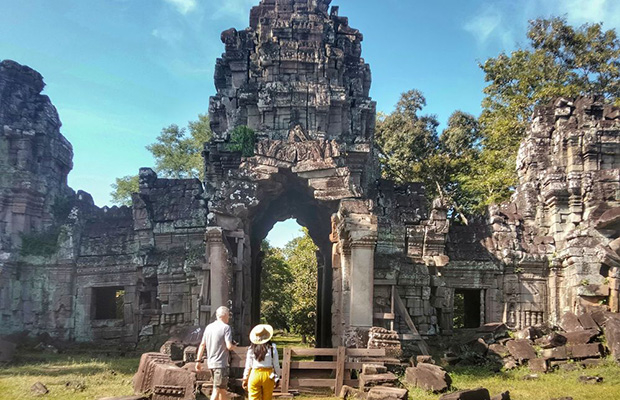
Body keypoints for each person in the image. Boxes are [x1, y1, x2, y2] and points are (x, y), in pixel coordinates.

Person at [196, 306, 235, 400]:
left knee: (222, 390)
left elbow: (202, 345)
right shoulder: (226, 328)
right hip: (221, 364)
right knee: (216, 390)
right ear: (225, 315)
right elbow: (229, 346)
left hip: (211, 364)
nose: (229, 318)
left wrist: (198, 361)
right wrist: (235, 346)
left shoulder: (209, 327)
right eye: (228, 315)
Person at [242, 324, 281, 400]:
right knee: (267, 397)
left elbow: (248, 365)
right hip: (268, 374)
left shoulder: (251, 348)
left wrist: (245, 378)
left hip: (255, 374)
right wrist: (277, 377)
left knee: (253, 397)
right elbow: (276, 364)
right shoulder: (272, 347)